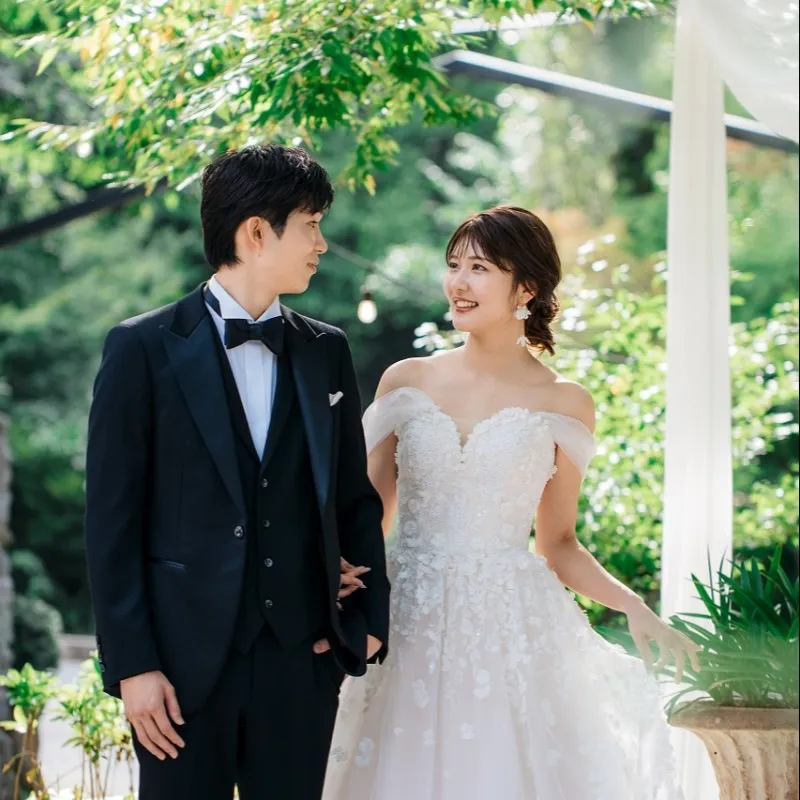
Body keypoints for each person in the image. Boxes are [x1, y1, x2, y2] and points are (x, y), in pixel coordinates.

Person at [323, 205, 698, 799]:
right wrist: (333, 583)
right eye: (453, 265)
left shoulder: (565, 402)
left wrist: (633, 607)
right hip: (407, 615)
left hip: (507, 628)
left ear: (525, 288)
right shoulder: (406, 380)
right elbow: (368, 516)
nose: (458, 282)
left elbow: (559, 544)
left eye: (479, 268)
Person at [84, 144, 390, 800]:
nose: (322, 244)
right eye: (311, 225)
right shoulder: (141, 348)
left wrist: (365, 627)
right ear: (256, 232)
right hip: (178, 672)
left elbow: (353, 500)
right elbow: (111, 523)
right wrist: (134, 666)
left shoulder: (326, 350)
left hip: (300, 663)